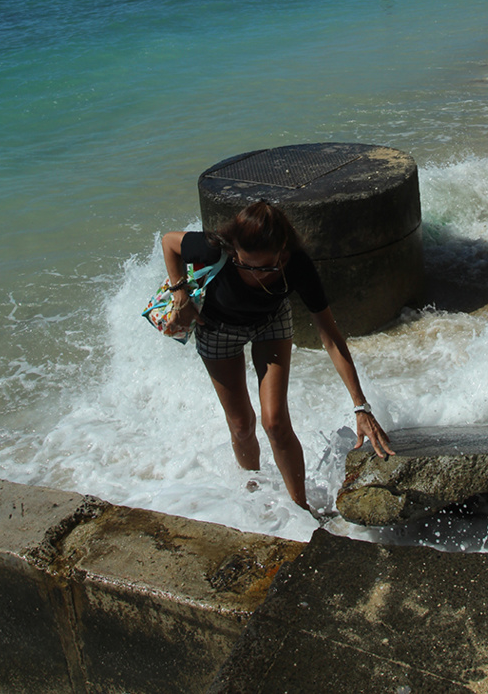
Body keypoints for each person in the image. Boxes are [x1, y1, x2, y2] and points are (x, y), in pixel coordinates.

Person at [161, 201, 393, 512]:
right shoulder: (213, 249)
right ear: (234, 251)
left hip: (271, 322)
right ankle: (253, 493)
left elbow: (331, 336)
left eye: (267, 267)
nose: (257, 274)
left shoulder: (297, 265)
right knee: (242, 425)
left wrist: (360, 406)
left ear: (282, 252)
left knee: (274, 422)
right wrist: (180, 294)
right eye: (247, 265)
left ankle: (301, 510)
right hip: (217, 328)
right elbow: (169, 242)